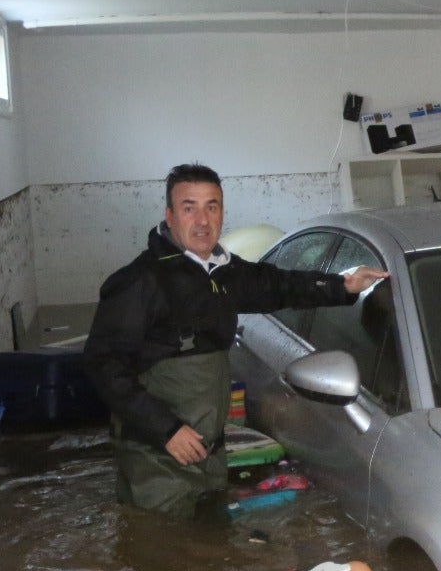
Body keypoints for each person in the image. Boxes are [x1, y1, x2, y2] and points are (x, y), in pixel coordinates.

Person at [83, 163, 388, 515]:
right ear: (169, 215)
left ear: (222, 213)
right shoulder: (139, 282)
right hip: (156, 455)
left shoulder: (223, 271)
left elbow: (278, 286)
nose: (202, 220)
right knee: (158, 541)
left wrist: (343, 286)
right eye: (189, 207)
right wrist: (166, 430)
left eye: (212, 207)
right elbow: (102, 365)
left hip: (206, 449)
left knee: (203, 540)